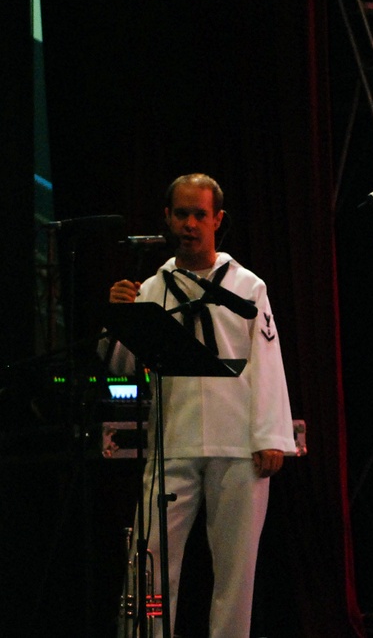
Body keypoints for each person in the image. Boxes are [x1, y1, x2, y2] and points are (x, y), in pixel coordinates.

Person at [102, 173, 295, 637]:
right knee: (149, 562)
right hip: (174, 440)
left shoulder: (248, 286)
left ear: (217, 220)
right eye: (182, 214)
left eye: (199, 215)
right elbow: (122, 368)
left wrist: (270, 436)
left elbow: (267, 362)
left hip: (238, 445)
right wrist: (117, 317)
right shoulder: (152, 287)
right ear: (167, 219)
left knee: (235, 572)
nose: (190, 224)